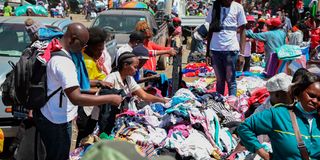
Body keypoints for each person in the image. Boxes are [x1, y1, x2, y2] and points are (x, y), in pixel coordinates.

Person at [34, 23, 122, 160]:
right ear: (73, 39)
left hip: (49, 113)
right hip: (56, 119)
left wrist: (98, 84)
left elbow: (68, 86)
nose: (83, 48)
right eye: (82, 44)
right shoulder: (64, 62)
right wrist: (110, 98)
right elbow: (76, 97)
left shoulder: (55, 51)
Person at [238, 70, 320, 159]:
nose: (315, 101)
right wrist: (264, 154)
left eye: (319, 98)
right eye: (311, 95)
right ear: (299, 92)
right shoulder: (278, 114)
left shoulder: (317, 119)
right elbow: (244, 127)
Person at [206, 0, 247, 96]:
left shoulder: (238, 7)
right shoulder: (214, 7)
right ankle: (220, 102)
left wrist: (242, 54)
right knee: (220, 81)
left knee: (231, 80)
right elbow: (210, 30)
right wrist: (207, 52)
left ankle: (232, 103)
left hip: (231, 50)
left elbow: (243, 31)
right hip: (215, 50)